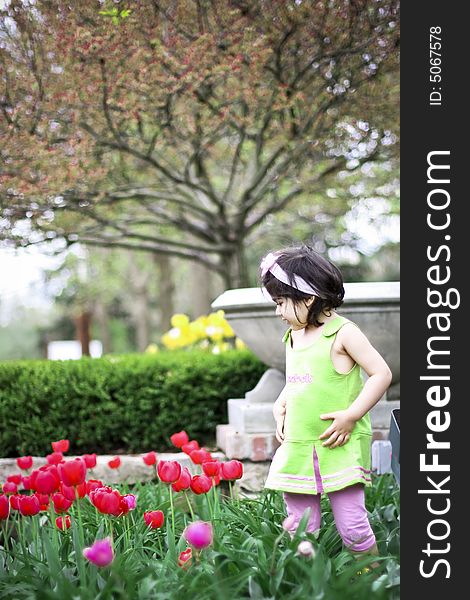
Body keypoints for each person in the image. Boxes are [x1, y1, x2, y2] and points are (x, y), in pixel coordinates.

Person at [260, 244, 392, 563]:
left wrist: (351, 415)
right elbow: (299, 379)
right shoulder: (294, 336)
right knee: (299, 526)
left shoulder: (343, 333)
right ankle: (305, 580)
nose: (277, 311)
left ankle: (369, 580)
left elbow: (381, 373)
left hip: (338, 443)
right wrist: (281, 402)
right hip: (299, 445)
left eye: (281, 302)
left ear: (308, 297)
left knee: (353, 524)